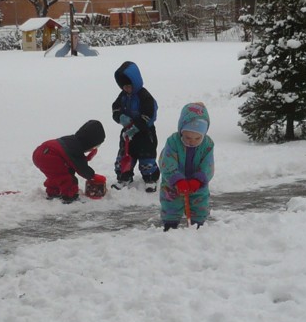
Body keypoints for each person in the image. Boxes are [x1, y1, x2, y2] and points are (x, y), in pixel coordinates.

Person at [159, 102, 215, 230]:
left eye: (197, 138)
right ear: (181, 130)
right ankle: (170, 226)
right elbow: (167, 162)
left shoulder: (207, 144)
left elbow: (208, 164)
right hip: (173, 183)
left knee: (199, 203)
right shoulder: (173, 141)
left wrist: (199, 179)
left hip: (197, 184)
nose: (192, 142)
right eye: (188, 137)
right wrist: (177, 179)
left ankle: (197, 226)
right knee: (171, 202)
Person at [110, 60, 159, 191]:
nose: (126, 89)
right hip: (127, 133)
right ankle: (124, 177)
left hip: (145, 133)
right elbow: (115, 108)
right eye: (124, 86)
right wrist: (120, 117)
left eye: (129, 86)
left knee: (146, 156)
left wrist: (137, 126)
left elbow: (149, 114)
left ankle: (150, 178)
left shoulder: (144, 96)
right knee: (125, 155)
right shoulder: (123, 96)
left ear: (135, 83)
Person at [32, 120, 106, 203]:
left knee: (58, 175)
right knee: (68, 178)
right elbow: (81, 168)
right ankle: (70, 196)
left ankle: (53, 191)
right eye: (95, 146)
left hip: (40, 152)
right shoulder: (76, 149)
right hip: (50, 156)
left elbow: (71, 159)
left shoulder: (72, 140)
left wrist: (85, 158)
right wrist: (92, 176)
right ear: (89, 143)